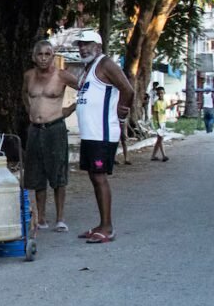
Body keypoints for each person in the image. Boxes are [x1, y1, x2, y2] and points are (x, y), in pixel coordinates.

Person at [73, 30, 133, 244]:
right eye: (80, 44)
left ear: (98, 46)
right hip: (90, 134)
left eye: (87, 44)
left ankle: (107, 228)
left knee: (99, 177)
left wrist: (122, 110)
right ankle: (101, 223)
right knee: (93, 176)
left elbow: (128, 89)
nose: (82, 48)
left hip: (102, 132)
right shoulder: (88, 68)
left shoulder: (105, 64)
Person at [21, 41, 79, 233]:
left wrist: (69, 109)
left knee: (58, 174)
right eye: (40, 54)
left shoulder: (62, 76)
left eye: (48, 54)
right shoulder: (28, 76)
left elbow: (84, 88)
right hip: (35, 129)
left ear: (53, 56)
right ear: (34, 56)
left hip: (55, 129)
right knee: (37, 174)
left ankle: (60, 218)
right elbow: (24, 95)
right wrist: (31, 112)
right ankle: (42, 217)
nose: (44, 58)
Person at [151, 87, 169, 162]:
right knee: (160, 138)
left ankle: (153, 156)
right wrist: (158, 124)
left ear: (164, 93)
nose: (161, 94)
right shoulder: (157, 103)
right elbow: (157, 114)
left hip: (163, 121)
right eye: (159, 93)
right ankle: (164, 155)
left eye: (162, 93)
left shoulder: (164, 101)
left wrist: (176, 103)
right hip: (158, 122)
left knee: (159, 139)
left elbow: (166, 108)